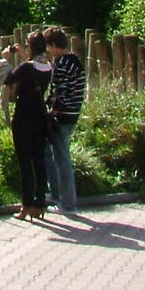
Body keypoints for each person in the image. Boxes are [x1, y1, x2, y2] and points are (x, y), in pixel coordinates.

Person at [3, 31, 54, 221]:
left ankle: (26, 205)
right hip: (40, 117)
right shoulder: (48, 67)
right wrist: (25, 55)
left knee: (25, 163)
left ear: (30, 46)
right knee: (39, 161)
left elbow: (8, 79)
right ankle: (40, 204)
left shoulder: (25, 68)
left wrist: (7, 59)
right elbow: (34, 66)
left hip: (23, 117)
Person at [43, 25, 86, 213]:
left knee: (61, 158)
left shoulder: (60, 64)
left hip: (62, 116)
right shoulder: (75, 61)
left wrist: (52, 111)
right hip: (73, 113)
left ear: (53, 45)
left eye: (48, 46)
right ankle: (56, 193)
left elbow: (61, 92)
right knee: (51, 153)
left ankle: (67, 203)